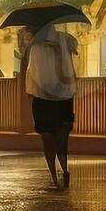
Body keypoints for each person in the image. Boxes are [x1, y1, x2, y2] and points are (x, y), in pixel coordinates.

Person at [26, 23, 79, 189]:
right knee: (61, 137)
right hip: (62, 95)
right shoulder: (65, 40)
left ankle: (54, 176)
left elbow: (32, 73)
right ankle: (64, 169)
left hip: (44, 97)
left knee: (47, 138)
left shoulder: (35, 46)